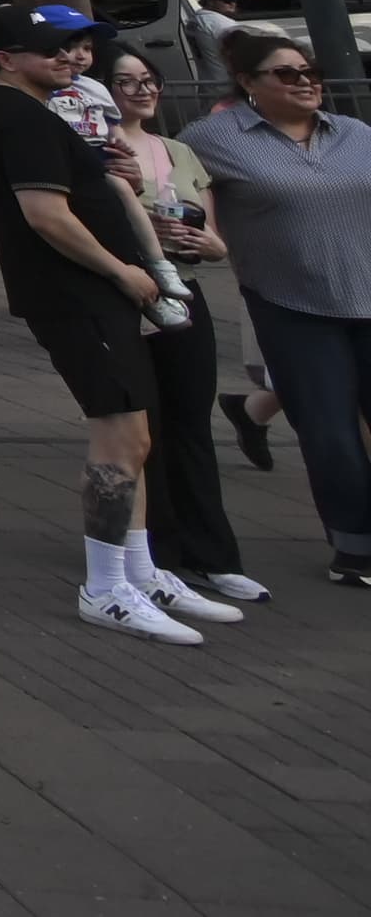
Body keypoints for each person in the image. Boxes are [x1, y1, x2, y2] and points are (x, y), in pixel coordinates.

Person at [0, 3, 232, 643]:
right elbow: (45, 216)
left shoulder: (37, 111)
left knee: (135, 436)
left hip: (98, 293)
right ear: (7, 59)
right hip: (78, 295)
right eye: (55, 47)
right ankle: (107, 584)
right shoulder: (18, 115)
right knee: (119, 436)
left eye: (80, 45)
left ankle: (139, 570)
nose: (73, 57)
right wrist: (121, 270)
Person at [184, 31, 371, 586]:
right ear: (248, 84)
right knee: (331, 433)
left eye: (309, 70)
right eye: (286, 73)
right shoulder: (212, 139)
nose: (306, 81)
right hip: (292, 304)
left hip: (368, 294)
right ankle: (355, 550)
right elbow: (175, 190)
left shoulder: (356, 134)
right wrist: (208, 240)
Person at [105, 47, 266, 603]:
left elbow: (216, 241)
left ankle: (214, 556)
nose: (142, 90)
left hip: (185, 293)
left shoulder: (178, 150)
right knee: (141, 430)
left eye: (149, 80)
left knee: (191, 425)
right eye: (127, 81)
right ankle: (157, 556)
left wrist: (206, 242)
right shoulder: (95, 152)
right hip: (127, 296)